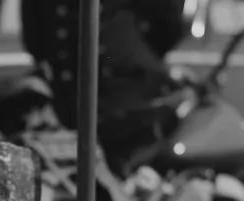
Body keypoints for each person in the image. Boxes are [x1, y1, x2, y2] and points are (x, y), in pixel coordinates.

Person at [20, 0, 189, 173]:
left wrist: (134, 60)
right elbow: (36, 39)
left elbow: (168, 26)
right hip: (69, 105)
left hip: (131, 103)